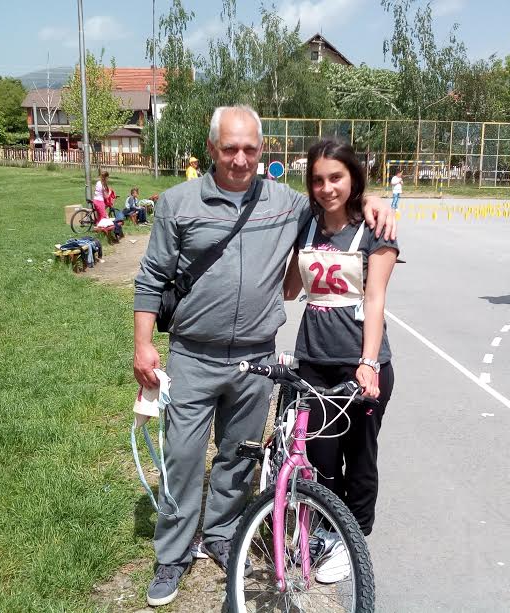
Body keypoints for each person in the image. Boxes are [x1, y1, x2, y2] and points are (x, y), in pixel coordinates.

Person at [133, 105, 395, 607]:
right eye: (230, 148)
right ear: (212, 149)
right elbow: (151, 277)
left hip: (256, 357)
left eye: (250, 149)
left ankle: (222, 533)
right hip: (193, 354)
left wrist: (374, 199)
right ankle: (173, 554)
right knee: (183, 457)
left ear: (262, 150)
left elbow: (333, 197)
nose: (240, 159)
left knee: (238, 456)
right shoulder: (178, 203)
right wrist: (144, 345)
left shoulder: (285, 203)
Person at [282, 140, 397, 577]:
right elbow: (291, 290)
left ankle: (353, 541)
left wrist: (368, 362)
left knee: (360, 457)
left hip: (360, 364)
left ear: (353, 179)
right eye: (318, 180)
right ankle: (329, 530)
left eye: (336, 178)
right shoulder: (308, 225)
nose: (327, 188)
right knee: (321, 458)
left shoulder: (376, 229)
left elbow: (375, 298)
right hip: (313, 359)